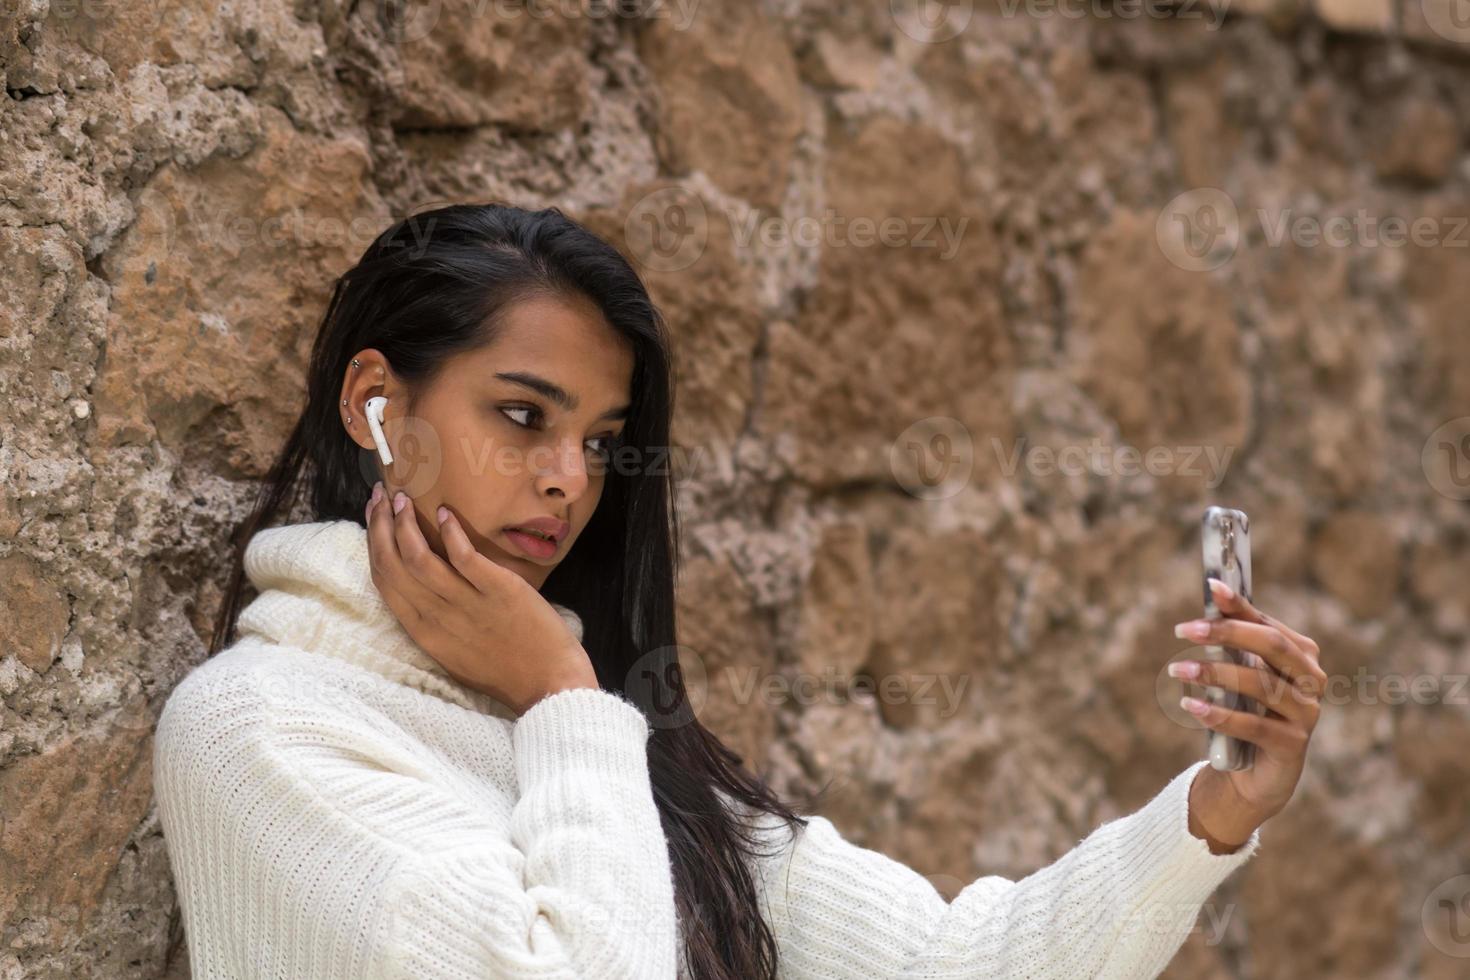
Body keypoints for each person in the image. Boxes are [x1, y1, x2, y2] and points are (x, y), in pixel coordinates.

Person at [152, 202, 1325, 979]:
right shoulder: (259, 727)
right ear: (379, 405)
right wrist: (562, 690)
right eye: (522, 416)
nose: (568, 480)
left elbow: (953, 961)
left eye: (604, 441)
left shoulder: (614, 754)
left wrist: (1219, 806)